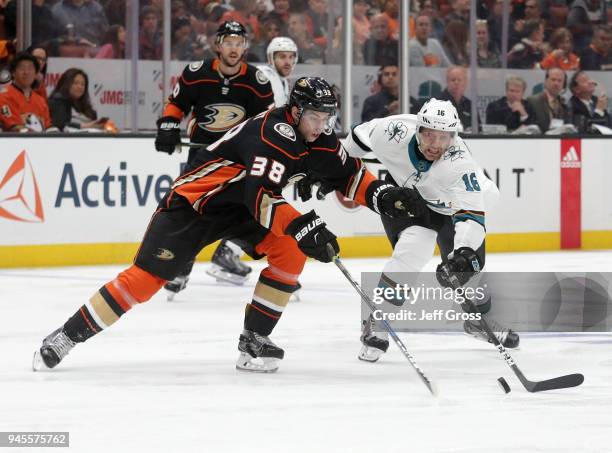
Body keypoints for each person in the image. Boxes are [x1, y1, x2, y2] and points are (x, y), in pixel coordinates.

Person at [32, 77, 424, 373]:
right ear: (296, 112)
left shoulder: (317, 136)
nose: (322, 125)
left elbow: (349, 175)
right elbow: (261, 195)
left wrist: (382, 197)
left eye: (328, 117)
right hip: (195, 205)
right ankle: (66, 335)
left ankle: (254, 339)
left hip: (240, 207)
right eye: (316, 117)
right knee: (145, 280)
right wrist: (304, 226)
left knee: (287, 250)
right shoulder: (274, 133)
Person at [341, 98, 519, 363]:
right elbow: (355, 139)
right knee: (413, 248)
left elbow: (470, 216)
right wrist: (331, 169)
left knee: (468, 273)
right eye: (429, 135)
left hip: (450, 209)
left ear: (454, 136)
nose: (436, 144)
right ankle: (378, 321)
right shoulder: (393, 131)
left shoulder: (460, 166)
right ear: (418, 131)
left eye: (444, 137)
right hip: (408, 196)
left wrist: (462, 254)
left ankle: (477, 321)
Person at [154, 21, 274, 295]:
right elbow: (177, 102)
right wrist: (169, 125)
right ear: (217, 45)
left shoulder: (256, 80)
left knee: (244, 210)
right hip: (202, 156)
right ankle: (182, 264)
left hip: (237, 160)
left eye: (239, 42)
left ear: (245, 47)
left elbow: (265, 121)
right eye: (228, 42)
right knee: (189, 208)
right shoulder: (197, 73)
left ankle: (269, 262)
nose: (234, 48)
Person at [0, 52, 51, 132]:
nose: (26, 72)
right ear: (13, 73)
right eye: (22, 68)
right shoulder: (4, 96)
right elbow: (14, 127)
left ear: (36, 74)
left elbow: (48, 127)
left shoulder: (41, 101)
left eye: (30, 68)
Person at [526, 68, 572, 133]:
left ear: (563, 85)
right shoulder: (533, 101)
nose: (556, 83)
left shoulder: (565, 103)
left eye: (559, 81)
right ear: (546, 81)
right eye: (553, 80)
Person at [256, 36, 297, 108]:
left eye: (291, 57)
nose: (287, 62)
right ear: (271, 58)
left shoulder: (283, 80)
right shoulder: (263, 75)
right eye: (282, 57)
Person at [438, 65, 480, 132]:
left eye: (459, 80)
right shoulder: (437, 103)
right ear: (447, 82)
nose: (456, 82)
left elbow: (478, 129)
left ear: (465, 83)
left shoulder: (470, 105)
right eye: (453, 80)